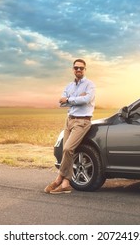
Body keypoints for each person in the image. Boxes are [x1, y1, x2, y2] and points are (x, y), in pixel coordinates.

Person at [44, 59, 95, 194]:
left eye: (81, 68)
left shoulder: (90, 85)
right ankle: (66, 183)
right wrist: (75, 99)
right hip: (69, 120)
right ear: (73, 69)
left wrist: (70, 99)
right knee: (67, 151)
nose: (78, 70)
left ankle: (59, 178)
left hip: (82, 122)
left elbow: (86, 100)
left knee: (67, 149)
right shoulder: (69, 86)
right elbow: (61, 103)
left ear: (85, 70)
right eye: (76, 68)